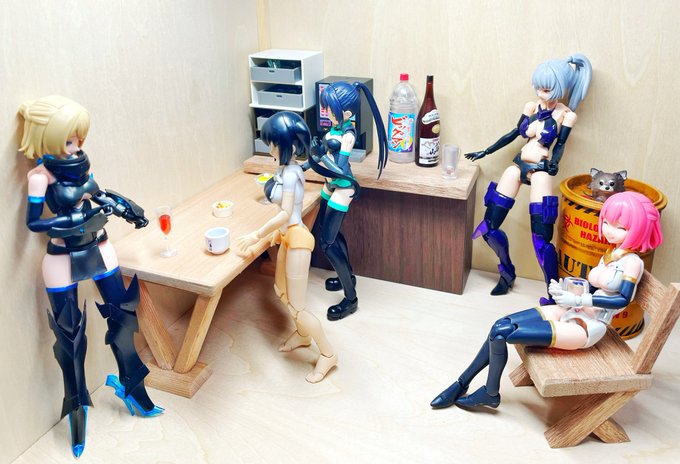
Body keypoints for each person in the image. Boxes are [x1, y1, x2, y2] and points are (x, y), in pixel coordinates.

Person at [19, 96, 163, 457]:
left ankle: (133, 388)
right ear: (47, 137)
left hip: (99, 246)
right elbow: (34, 223)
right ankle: (77, 410)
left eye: (79, 137)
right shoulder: (40, 177)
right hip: (62, 256)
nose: (77, 145)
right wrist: (74, 220)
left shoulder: (82, 165)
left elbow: (98, 195)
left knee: (123, 317)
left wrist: (124, 207)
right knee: (70, 339)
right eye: (70, 138)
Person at [431, 192, 662, 409]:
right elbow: (595, 287)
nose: (609, 231)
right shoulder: (612, 255)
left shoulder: (632, 263)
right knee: (499, 325)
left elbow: (622, 299)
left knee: (501, 334)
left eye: (621, 227)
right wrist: (565, 292)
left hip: (587, 327)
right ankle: (462, 383)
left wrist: (579, 298)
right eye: (607, 222)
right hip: (575, 309)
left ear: (639, 230)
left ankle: (490, 393)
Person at [466, 55, 592, 304]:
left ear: (559, 87)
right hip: (519, 165)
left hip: (540, 170)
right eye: (539, 86)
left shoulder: (566, 115)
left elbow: (560, 144)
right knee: (489, 227)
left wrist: (555, 162)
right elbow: (514, 133)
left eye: (547, 88)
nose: (541, 91)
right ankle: (507, 272)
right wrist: (486, 151)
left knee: (541, 241)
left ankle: (554, 296)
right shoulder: (532, 107)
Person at [235, 112, 337, 383]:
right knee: (281, 291)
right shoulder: (284, 170)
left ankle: (328, 354)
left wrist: (256, 235)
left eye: (273, 143)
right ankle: (303, 335)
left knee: (298, 307)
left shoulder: (291, 174)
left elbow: (285, 213)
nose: (270, 148)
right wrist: (273, 235)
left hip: (298, 240)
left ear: (288, 145)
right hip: (286, 238)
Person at [307, 81, 388, 320]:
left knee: (327, 243)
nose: (328, 113)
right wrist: (299, 166)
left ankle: (351, 298)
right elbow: (321, 157)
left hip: (343, 187)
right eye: (327, 108)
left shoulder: (348, 135)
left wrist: (321, 156)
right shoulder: (335, 128)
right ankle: (347, 275)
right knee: (327, 233)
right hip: (329, 185)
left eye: (332, 109)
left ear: (347, 112)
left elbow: (340, 169)